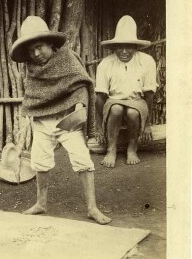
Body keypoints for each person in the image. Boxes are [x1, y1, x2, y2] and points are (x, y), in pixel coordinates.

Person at [10, 16, 111, 225]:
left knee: (82, 160)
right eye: (31, 51)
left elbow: (81, 85)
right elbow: (34, 97)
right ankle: (41, 203)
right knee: (40, 162)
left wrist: (79, 108)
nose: (36, 54)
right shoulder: (32, 69)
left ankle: (92, 207)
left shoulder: (67, 59)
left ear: (50, 43)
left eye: (39, 47)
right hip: (42, 122)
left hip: (67, 120)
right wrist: (31, 119)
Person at [94, 15, 157, 168]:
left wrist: (147, 124)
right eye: (119, 46)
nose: (123, 51)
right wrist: (98, 128)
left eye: (128, 46)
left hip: (137, 102)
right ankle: (111, 149)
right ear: (114, 47)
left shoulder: (147, 61)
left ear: (135, 47)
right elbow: (100, 98)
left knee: (132, 113)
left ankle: (132, 148)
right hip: (114, 101)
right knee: (116, 109)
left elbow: (149, 96)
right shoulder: (106, 64)